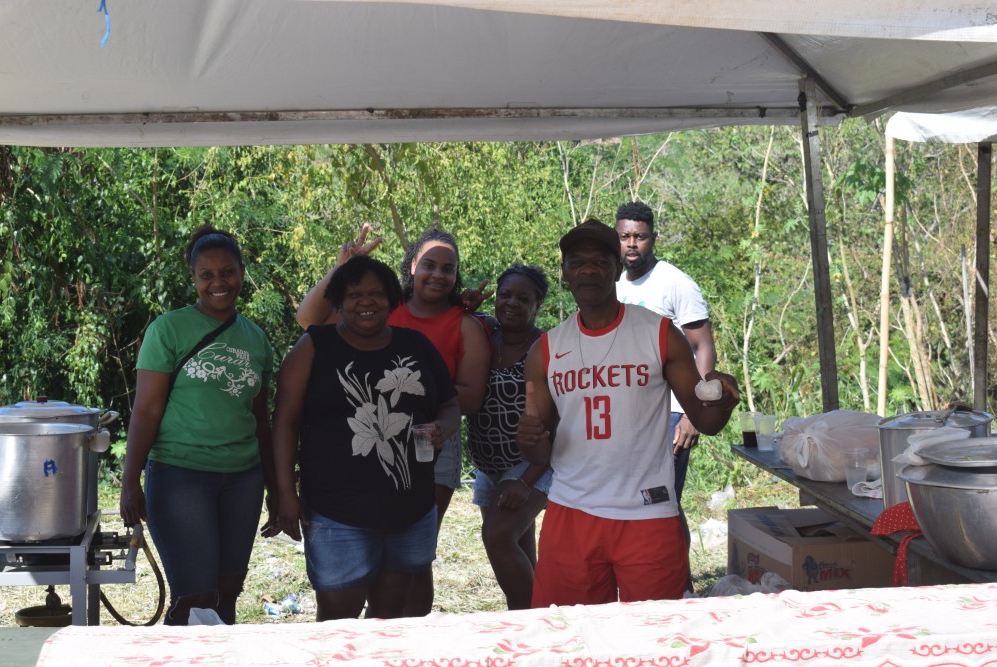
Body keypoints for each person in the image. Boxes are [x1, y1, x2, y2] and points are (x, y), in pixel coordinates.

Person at [517, 218, 739, 607]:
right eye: (577, 263)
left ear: (617, 270)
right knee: (568, 634)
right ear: (565, 273)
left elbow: (706, 421)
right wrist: (528, 439)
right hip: (571, 513)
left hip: (647, 514)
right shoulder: (546, 349)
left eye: (600, 262)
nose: (588, 270)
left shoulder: (659, 333)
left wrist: (722, 402)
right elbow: (539, 452)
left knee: (658, 633)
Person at [295, 225, 489, 615]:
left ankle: (399, 627)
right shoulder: (381, 302)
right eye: (429, 264)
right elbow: (308, 319)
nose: (438, 274)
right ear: (412, 265)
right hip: (365, 431)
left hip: (430, 437)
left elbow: (465, 396)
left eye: (448, 268)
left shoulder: (464, 322)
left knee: (412, 554)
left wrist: (412, 394)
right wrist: (341, 269)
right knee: (364, 558)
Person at [119, 225, 276, 625]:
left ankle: (221, 653)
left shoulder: (256, 338)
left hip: (243, 480)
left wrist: (276, 489)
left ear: (241, 272)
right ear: (193, 278)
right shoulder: (168, 329)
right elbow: (146, 410)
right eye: (206, 274)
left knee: (228, 590)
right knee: (196, 597)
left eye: (227, 272)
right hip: (181, 476)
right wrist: (130, 480)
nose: (218, 282)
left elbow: (260, 420)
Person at [615, 201, 717, 504]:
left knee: (660, 502)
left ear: (653, 239)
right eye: (624, 237)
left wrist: (694, 413)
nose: (632, 244)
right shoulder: (615, 286)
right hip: (626, 413)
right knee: (633, 502)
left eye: (640, 237)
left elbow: (703, 347)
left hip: (669, 413)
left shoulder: (674, 283)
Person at [466, 264, 552, 610]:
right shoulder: (484, 335)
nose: (512, 303)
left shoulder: (546, 348)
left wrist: (526, 481)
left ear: (537, 305)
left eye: (523, 298)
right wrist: (463, 305)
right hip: (488, 466)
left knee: (498, 537)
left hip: (532, 464)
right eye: (505, 295)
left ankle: (530, 624)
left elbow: (558, 421)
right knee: (516, 547)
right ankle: (530, 623)